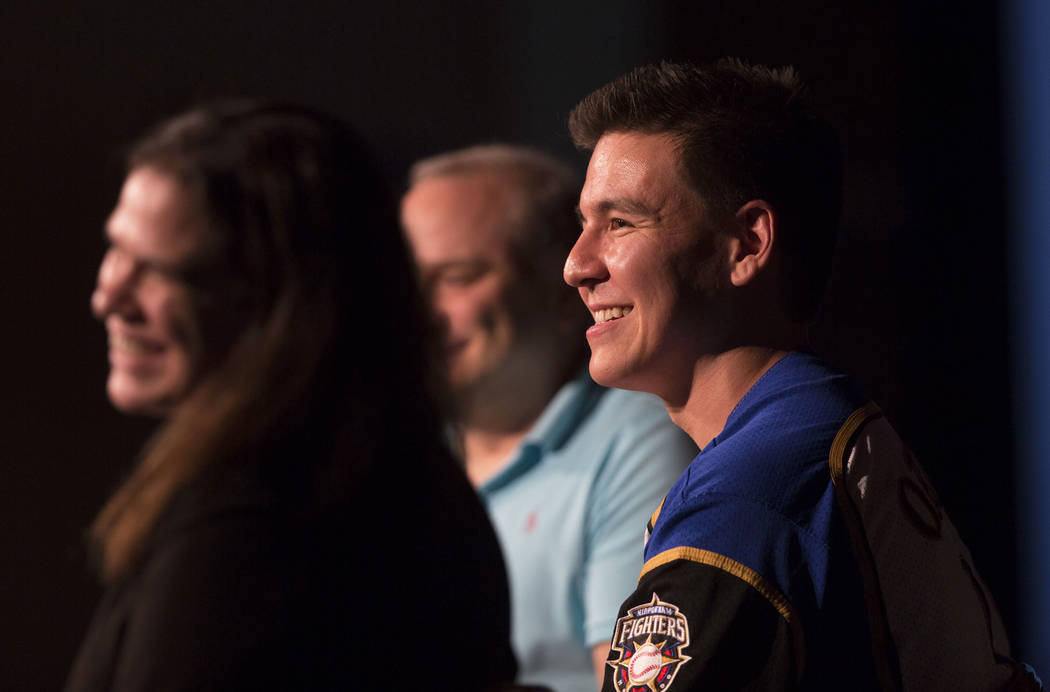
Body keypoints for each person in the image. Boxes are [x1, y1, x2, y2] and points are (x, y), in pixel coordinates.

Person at [563, 60, 1041, 691]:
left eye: (620, 222)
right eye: (583, 224)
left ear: (747, 244)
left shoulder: (747, 500)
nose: (577, 265)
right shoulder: (822, 427)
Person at [67, 102, 518, 691]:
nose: (109, 297)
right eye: (118, 250)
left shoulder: (253, 527)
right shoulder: (399, 475)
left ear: (282, 304)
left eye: (160, 271)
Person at [401, 145, 696, 692]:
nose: (418, 310)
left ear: (563, 289)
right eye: (405, 281)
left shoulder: (637, 438)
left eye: (457, 277)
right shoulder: (397, 453)